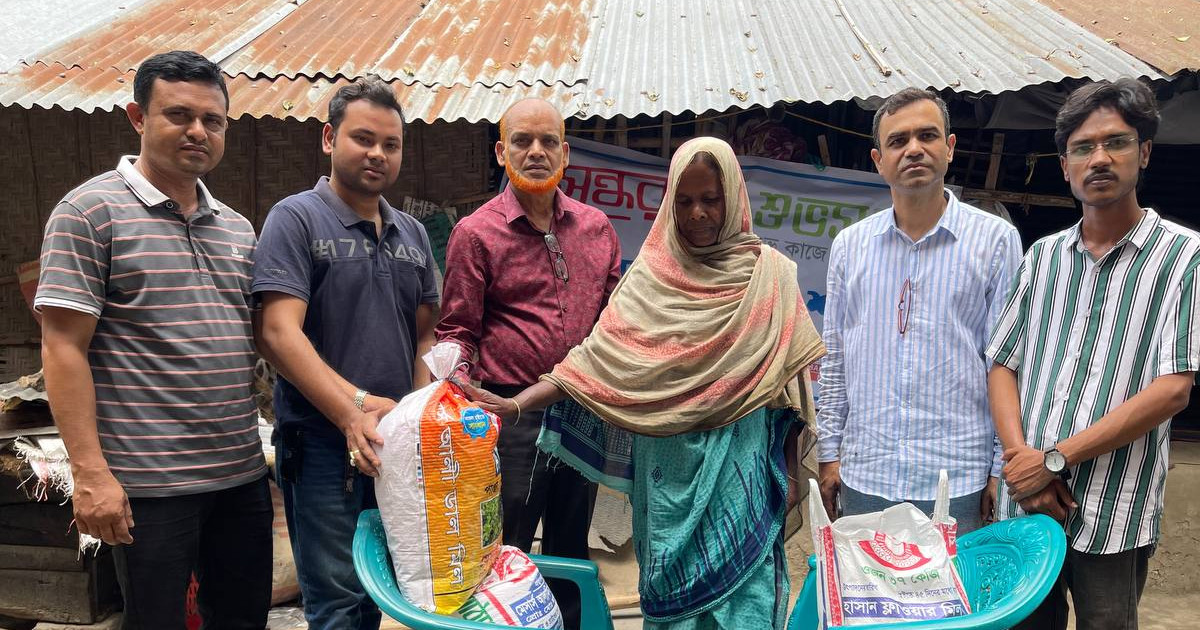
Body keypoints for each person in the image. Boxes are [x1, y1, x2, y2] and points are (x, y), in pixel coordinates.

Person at [462, 137, 825, 628]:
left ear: (734, 198)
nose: (698, 213)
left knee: (745, 601)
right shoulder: (651, 279)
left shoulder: (772, 277)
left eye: (711, 200)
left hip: (740, 468)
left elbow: (790, 396)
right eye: (685, 201)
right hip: (665, 473)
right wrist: (518, 405)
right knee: (671, 600)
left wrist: (788, 479)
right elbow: (594, 362)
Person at [36, 51, 271, 629]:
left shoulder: (238, 228)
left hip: (239, 473)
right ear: (137, 117)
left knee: (243, 620)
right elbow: (63, 348)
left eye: (212, 120)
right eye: (179, 115)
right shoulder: (89, 212)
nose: (198, 131)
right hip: (148, 484)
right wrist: (91, 474)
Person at [987, 78, 1199, 630]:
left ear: (1144, 152)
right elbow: (1002, 363)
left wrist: (1054, 459)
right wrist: (1023, 467)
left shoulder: (1183, 256)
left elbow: (1173, 387)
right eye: (1083, 147)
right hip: (1030, 505)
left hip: (1114, 509)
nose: (1099, 158)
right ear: (1064, 165)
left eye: (1116, 142)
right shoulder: (1043, 257)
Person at [252, 76, 439, 630]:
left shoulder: (412, 235)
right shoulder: (296, 218)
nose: (378, 154)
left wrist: (417, 415)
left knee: (382, 596)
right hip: (322, 450)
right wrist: (352, 410)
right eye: (363, 139)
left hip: (393, 447)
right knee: (336, 602)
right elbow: (278, 333)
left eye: (391, 144)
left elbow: (426, 334)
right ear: (329, 139)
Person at [435, 98, 621, 628]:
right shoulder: (477, 233)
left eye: (547, 142)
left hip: (582, 411)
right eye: (522, 141)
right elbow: (456, 334)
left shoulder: (596, 228)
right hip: (507, 418)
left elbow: (611, 324)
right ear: (501, 151)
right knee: (503, 547)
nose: (535, 152)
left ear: (566, 152)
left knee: (571, 545)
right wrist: (466, 400)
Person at [816, 87, 1021, 533]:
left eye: (927, 136)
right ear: (878, 160)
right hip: (866, 471)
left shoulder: (995, 241)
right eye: (898, 141)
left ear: (949, 148)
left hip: (957, 477)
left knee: (957, 601)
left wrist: (996, 468)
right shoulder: (851, 247)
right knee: (869, 601)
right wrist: (829, 452)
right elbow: (834, 358)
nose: (913, 149)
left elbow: (1004, 360)